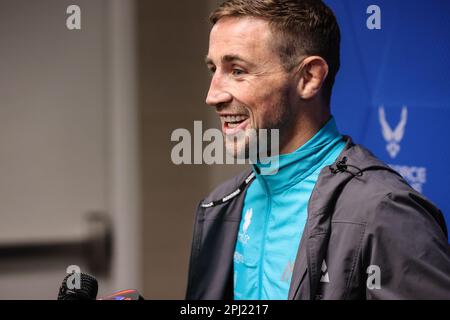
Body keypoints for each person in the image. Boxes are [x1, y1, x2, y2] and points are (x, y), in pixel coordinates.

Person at [185, 0, 450, 300]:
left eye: (237, 70)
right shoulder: (219, 206)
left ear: (308, 78)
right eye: (213, 68)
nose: (212, 95)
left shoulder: (384, 211)